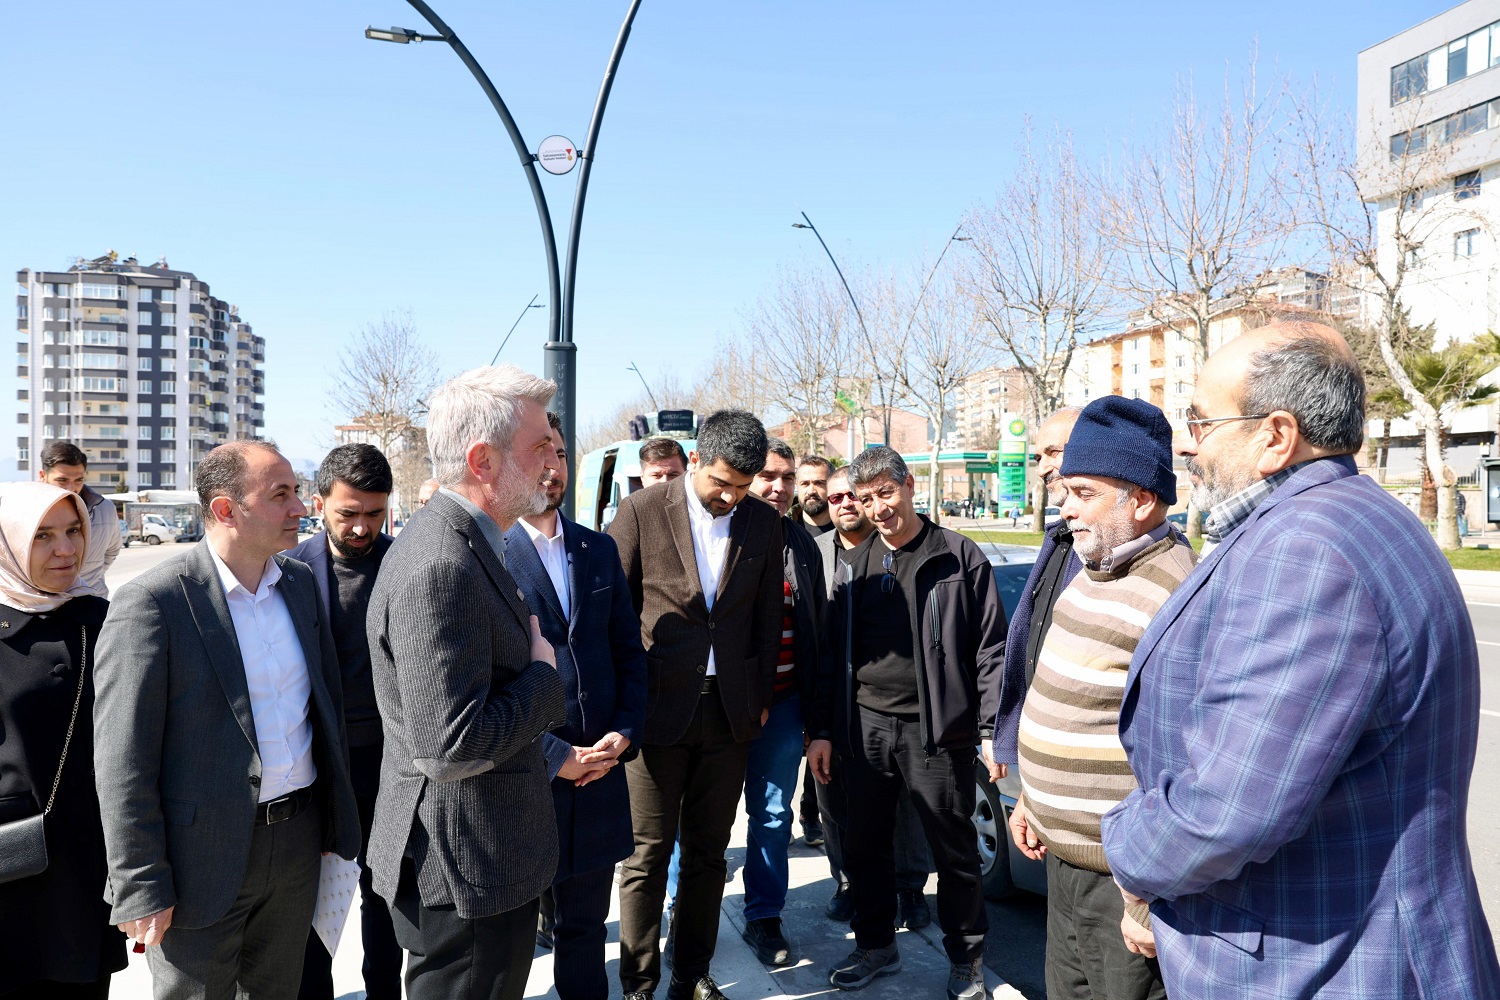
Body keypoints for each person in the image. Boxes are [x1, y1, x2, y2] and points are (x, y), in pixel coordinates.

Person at [1102, 323, 1500, 996]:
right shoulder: (1352, 515)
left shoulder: (1307, 550)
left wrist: (1127, 851)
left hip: (1325, 965)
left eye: (1200, 418)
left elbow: (1225, 811)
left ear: (1276, 436)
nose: (1187, 440)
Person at [93, 441, 361, 998]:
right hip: (199, 861)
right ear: (224, 510)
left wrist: (336, 822)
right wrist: (140, 883)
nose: (300, 508)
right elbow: (123, 759)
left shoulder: (300, 584)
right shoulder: (154, 601)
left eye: (297, 491)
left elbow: (324, 707)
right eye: (280, 495)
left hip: (297, 846)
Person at [366, 365, 566, 1000]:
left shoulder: (470, 544)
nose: (552, 462)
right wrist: (541, 678)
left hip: (481, 859)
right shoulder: (441, 561)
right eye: (540, 447)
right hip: (465, 869)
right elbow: (449, 747)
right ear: (483, 460)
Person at [1008, 397, 1193, 1000]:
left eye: (1084, 494)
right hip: (1063, 868)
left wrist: (1144, 904)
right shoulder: (1093, 571)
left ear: (1140, 500)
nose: (1066, 510)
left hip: (1123, 886)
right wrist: (1031, 802)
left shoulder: (1174, 595)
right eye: (1066, 493)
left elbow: (1182, 772)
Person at [807, 447, 1005, 1000]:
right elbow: (831, 656)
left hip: (938, 732)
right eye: (866, 498)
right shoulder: (854, 566)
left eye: (886, 494)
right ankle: (875, 945)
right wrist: (822, 729)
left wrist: (990, 730)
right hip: (864, 729)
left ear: (909, 485)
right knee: (865, 845)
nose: (878, 508)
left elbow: (991, 651)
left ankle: (967, 960)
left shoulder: (957, 556)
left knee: (954, 851)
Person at [609, 409, 784, 1000]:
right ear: (696, 461)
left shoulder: (764, 523)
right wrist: (622, 707)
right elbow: (614, 615)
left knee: (708, 855)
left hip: (729, 715)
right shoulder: (638, 512)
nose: (731, 497)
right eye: (722, 484)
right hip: (655, 713)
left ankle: (690, 974)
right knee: (646, 857)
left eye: (743, 487)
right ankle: (638, 983)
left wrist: (758, 699)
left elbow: (766, 618)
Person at [505, 412, 648, 1000]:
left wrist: (624, 732)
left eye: (561, 454)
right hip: (524, 773)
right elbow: (481, 689)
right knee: (510, 934)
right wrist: (554, 755)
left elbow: (627, 653)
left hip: (600, 772)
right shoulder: (487, 554)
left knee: (585, 925)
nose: (553, 466)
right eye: (540, 452)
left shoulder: (597, 549)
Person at [0, 482, 127, 999]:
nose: (66, 550)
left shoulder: (103, 621)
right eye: (44, 536)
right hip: (9, 868)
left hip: (84, 871)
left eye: (74, 530)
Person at [290, 444, 400, 1000]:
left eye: (374, 514)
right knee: (314, 908)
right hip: (317, 767)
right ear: (319, 503)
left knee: (387, 903)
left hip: (391, 764)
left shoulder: (406, 564)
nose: (362, 528)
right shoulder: (288, 572)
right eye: (347, 514)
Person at [812, 466, 933, 929]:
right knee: (838, 806)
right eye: (837, 496)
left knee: (907, 810)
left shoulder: (909, 551)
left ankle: (910, 888)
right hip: (838, 705)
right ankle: (852, 889)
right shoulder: (816, 552)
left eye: (854, 496)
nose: (846, 504)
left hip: (909, 714)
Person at [729, 438, 827, 966]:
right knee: (698, 818)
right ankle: (681, 911)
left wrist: (816, 715)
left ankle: (764, 916)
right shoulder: (721, 535)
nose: (780, 487)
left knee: (771, 815)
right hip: (721, 709)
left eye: (787, 477)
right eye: (769, 475)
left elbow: (815, 635)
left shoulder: (802, 544)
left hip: (786, 707)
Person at [988, 406, 1081, 777]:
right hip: (1039, 752)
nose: (1042, 468)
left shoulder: (1112, 547)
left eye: (1053, 453)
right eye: (1037, 457)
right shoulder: (1059, 539)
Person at [36, 441, 120, 598]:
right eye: (62, 480)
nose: (71, 488)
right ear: (43, 476)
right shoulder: (25, 510)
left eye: (78, 480)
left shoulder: (105, 509)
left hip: (92, 603)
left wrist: (85, 575)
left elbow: (112, 550)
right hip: (42, 607)